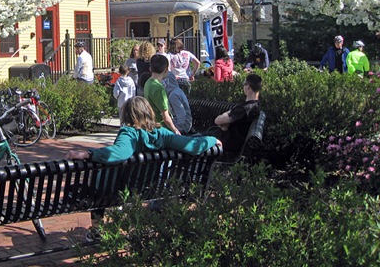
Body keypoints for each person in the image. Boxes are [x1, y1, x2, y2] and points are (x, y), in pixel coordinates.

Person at [66, 96, 220, 240]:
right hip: (147, 188)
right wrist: (211, 139)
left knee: (98, 188)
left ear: (127, 115)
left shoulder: (130, 133)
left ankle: (96, 231)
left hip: (116, 191)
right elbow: (192, 146)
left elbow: (120, 152)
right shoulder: (162, 134)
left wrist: (88, 153)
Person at [206, 73, 262, 156]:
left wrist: (225, 119)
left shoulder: (244, 109)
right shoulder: (255, 105)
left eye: (244, 84)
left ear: (248, 87)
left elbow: (218, 120)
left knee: (193, 141)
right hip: (228, 139)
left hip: (226, 143)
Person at [142, 54, 180, 134]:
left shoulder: (148, 83)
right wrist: (175, 130)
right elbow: (165, 117)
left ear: (150, 68)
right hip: (162, 129)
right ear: (166, 69)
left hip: (152, 125)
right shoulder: (159, 88)